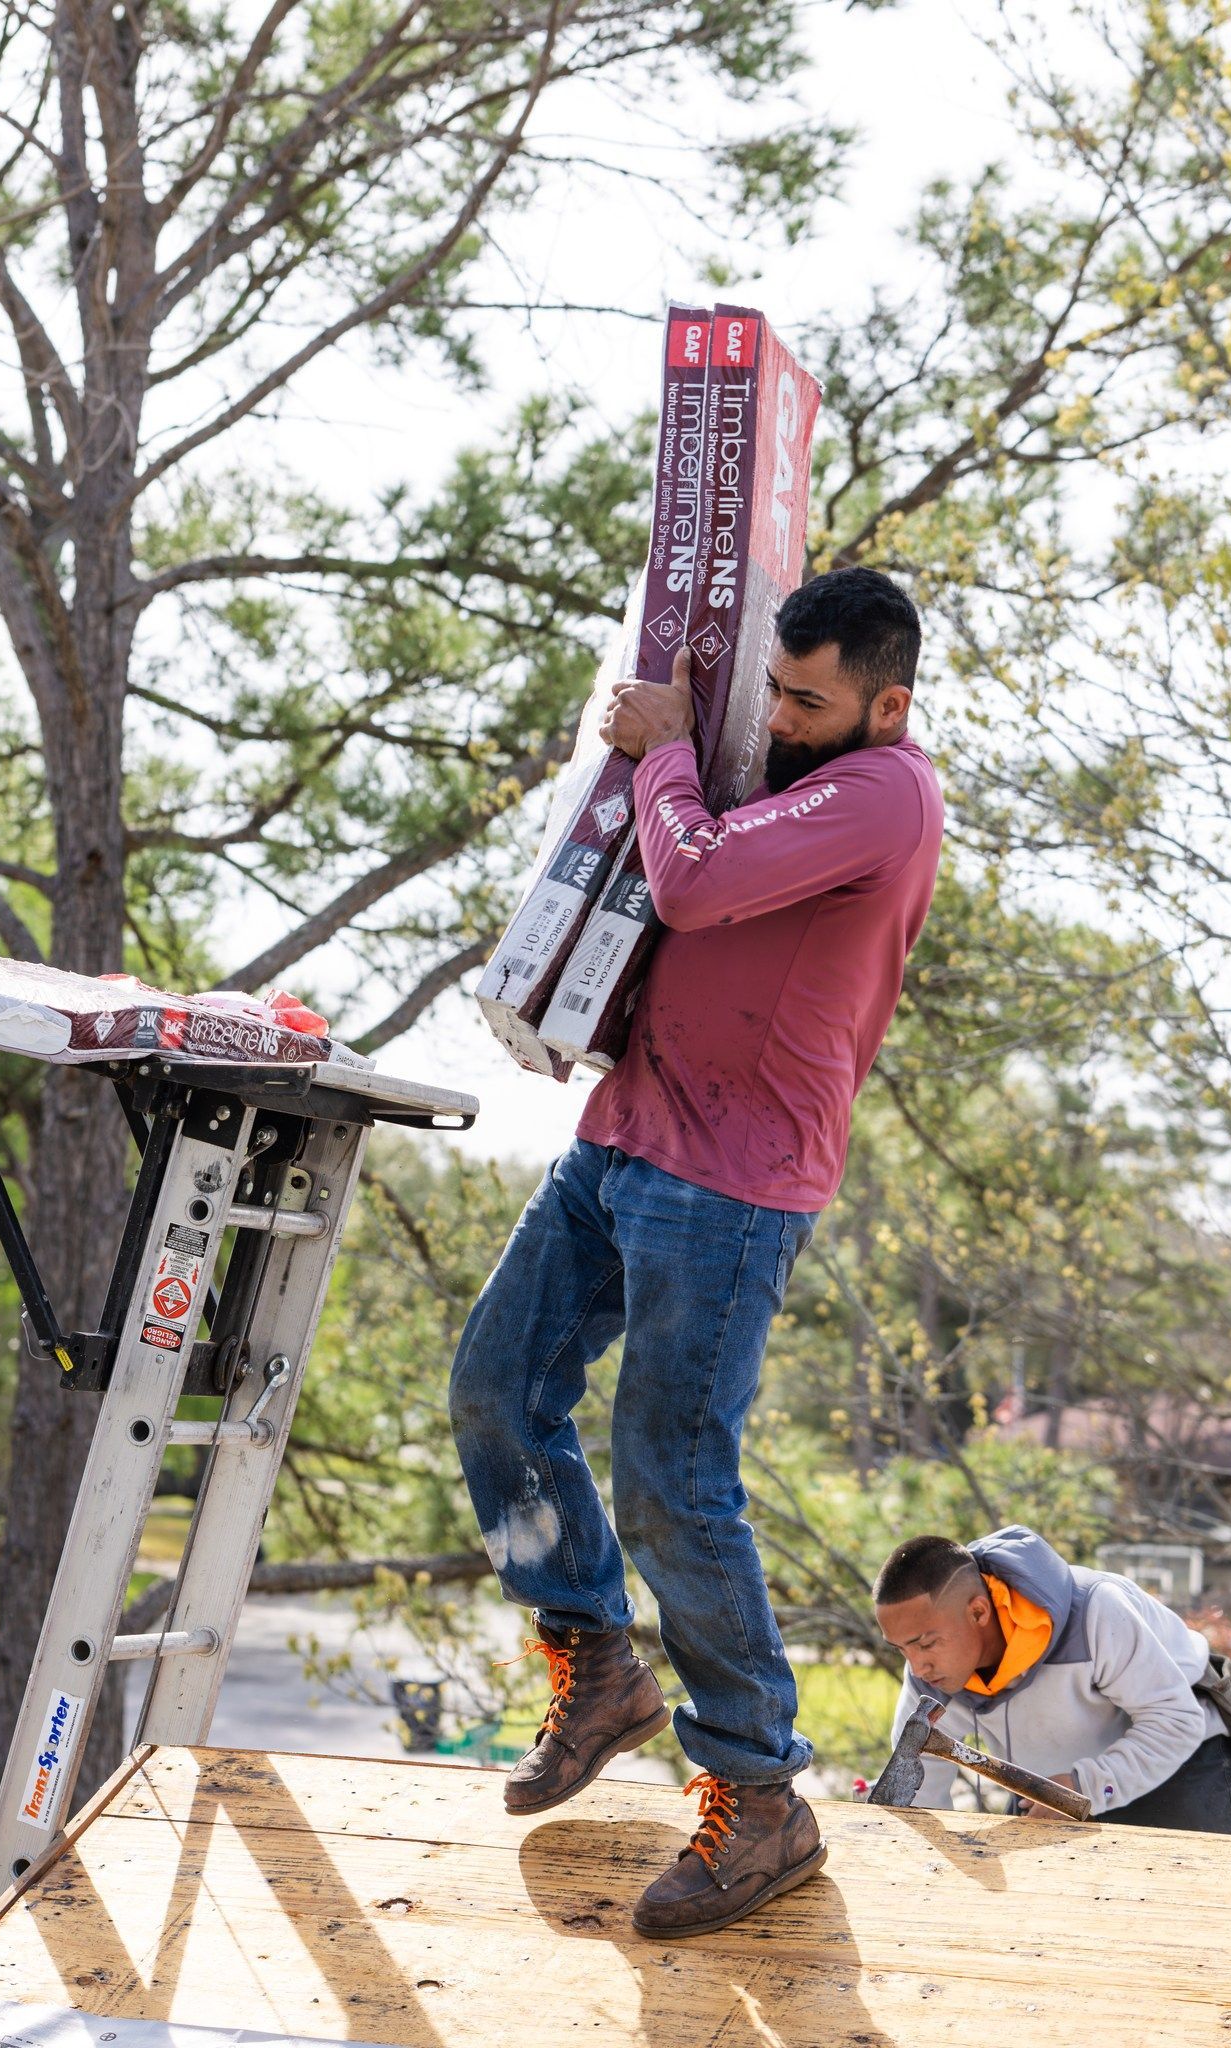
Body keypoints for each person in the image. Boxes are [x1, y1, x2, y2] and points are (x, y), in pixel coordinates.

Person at [450, 566, 945, 1937]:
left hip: (732, 1185)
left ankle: (760, 1797)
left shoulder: (885, 794)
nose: (781, 720)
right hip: (622, 1137)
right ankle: (595, 1664)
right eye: (770, 692)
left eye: (809, 699)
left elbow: (694, 879)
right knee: (494, 1390)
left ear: (882, 703)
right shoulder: (771, 761)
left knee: (672, 1477)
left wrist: (665, 743)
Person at [873, 1527, 1231, 1832]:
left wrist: (1081, 1787)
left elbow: (1176, 1723)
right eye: (902, 1649)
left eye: (925, 1643)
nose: (917, 1667)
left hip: (1179, 1769)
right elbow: (921, 1787)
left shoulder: (1095, 1612)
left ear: (978, 1611)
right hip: (1051, 1790)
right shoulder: (932, 1673)